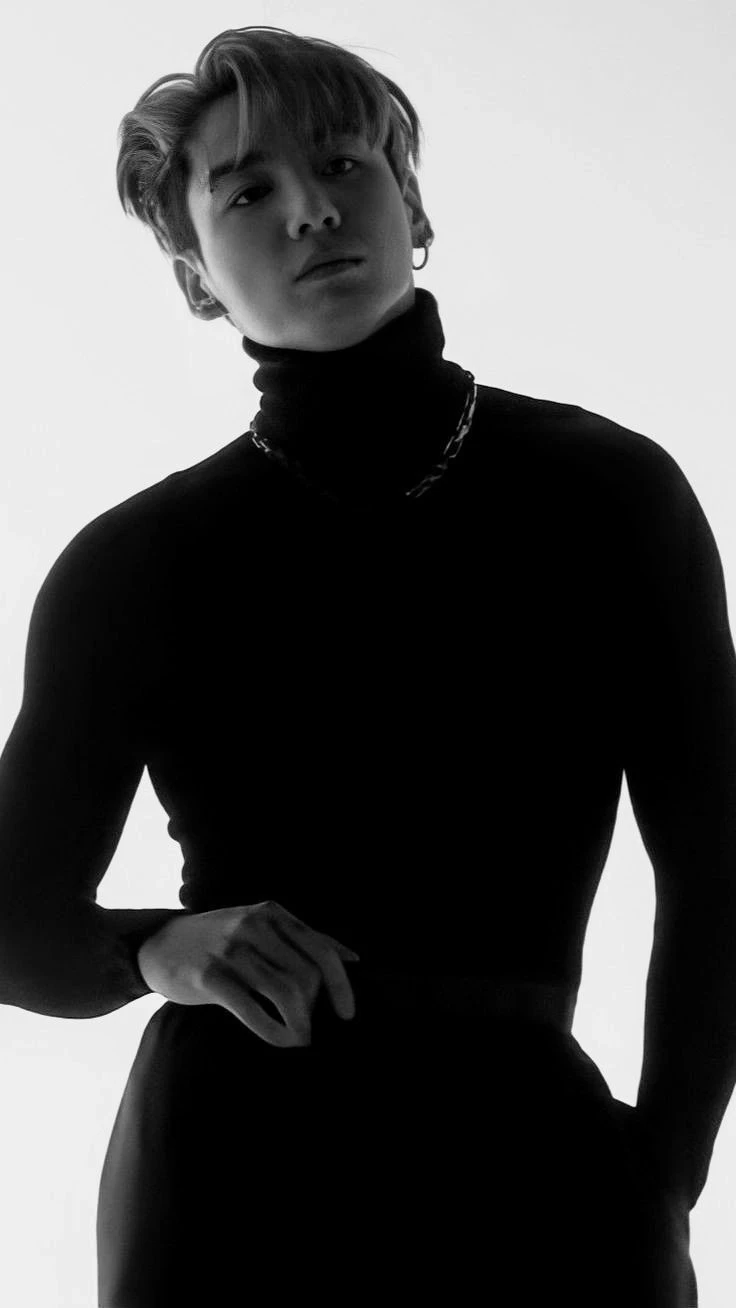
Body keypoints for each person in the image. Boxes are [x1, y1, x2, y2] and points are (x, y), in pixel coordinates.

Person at [0, 24, 732, 1306]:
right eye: (248, 192)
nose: (311, 210)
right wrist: (158, 948)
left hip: (542, 1177)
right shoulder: (133, 563)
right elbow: (9, 925)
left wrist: (662, 1172)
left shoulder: (609, 497)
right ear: (195, 277)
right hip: (226, 1188)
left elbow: (720, 861)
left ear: (413, 205)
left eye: (342, 163)